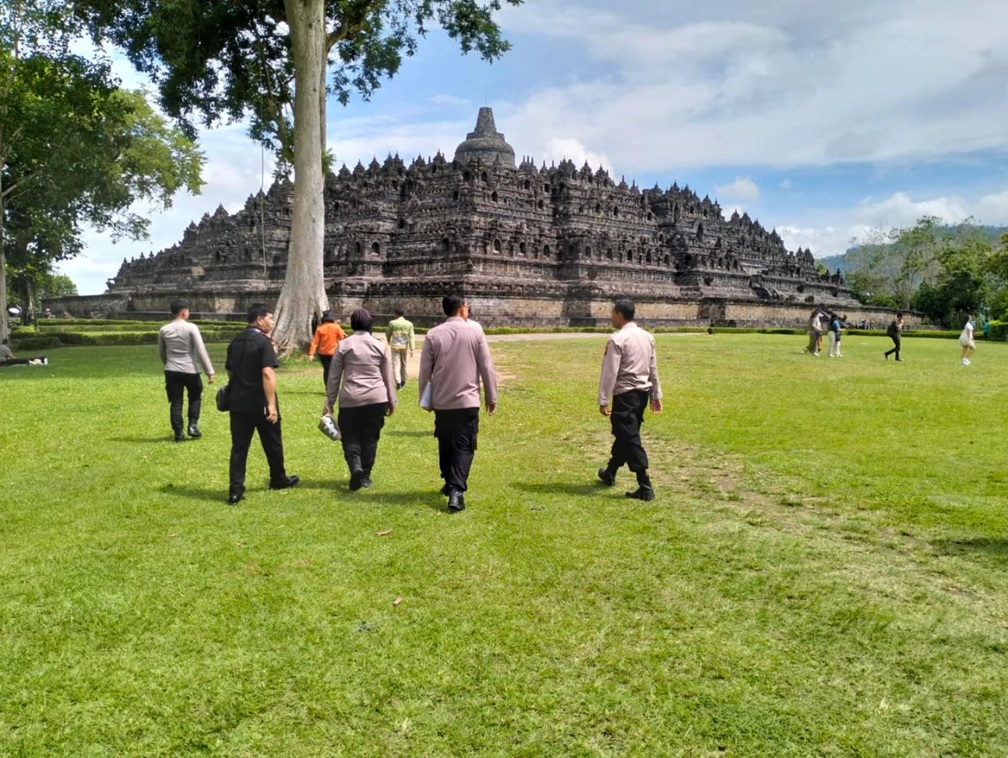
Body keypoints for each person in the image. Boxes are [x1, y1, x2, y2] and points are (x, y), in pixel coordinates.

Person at [418, 294, 498, 512]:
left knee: (445, 441)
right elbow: (486, 367)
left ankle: (451, 481)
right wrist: (492, 397)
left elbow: (425, 371)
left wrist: (424, 398)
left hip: (443, 400)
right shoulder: (475, 332)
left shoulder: (433, 334)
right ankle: (456, 490)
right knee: (464, 444)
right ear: (462, 309)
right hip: (468, 399)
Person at [224, 303, 298, 505]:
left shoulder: (236, 341)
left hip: (238, 402)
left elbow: (230, 371)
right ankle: (278, 478)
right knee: (272, 442)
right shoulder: (263, 342)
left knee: (239, 447)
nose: (272, 322)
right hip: (260, 402)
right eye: (270, 318)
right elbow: (268, 372)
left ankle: (235, 488)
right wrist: (272, 405)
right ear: (259, 320)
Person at [597, 298, 663, 501]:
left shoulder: (618, 339)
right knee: (625, 433)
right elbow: (652, 368)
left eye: (612, 313)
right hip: (641, 394)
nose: (610, 317)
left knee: (629, 436)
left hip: (625, 393)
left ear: (619, 314)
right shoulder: (647, 337)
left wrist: (603, 398)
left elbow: (610, 372)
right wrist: (656, 393)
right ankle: (610, 471)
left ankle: (645, 485)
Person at [325, 308, 397, 490]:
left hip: (351, 397)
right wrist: (392, 400)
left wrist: (329, 402)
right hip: (376, 398)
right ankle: (365, 475)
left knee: (349, 435)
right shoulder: (379, 345)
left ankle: (355, 466)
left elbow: (334, 377)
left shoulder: (343, 345)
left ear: (353, 324)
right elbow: (388, 377)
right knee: (370, 438)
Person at [158, 299, 215, 442]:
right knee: (195, 397)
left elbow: (161, 352)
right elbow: (201, 351)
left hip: (171, 370)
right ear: (184, 312)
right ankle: (192, 426)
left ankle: (178, 433)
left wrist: (168, 364)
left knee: (176, 402)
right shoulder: (191, 328)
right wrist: (209, 372)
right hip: (190, 368)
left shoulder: (164, 330)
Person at [307, 310, 346, 387]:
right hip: (334, 352)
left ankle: (327, 387)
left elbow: (315, 342)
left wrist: (311, 354)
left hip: (323, 354)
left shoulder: (320, 328)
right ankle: (334, 386)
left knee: (327, 370)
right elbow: (342, 339)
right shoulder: (336, 327)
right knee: (334, 370)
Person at [385, 305, 415, 390]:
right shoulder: (409, 324)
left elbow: (388, 333)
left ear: (396, 314)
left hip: (395, 346)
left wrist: (388, 340)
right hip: (404, 346)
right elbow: (411, 336)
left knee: (395, 364)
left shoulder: (392, 323)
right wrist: (412, 348)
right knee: (403, 364)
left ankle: (397, 382)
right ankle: (403, 380)